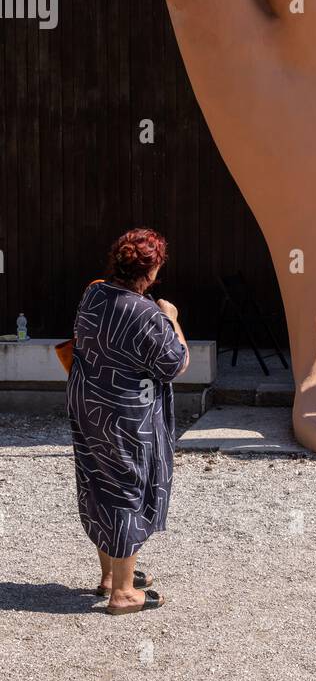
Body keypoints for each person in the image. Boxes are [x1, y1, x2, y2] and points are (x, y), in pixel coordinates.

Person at [66, 228, 189, 615]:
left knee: (98, 478)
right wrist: (171, 319)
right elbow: (176, 364)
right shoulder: (147, 314)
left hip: (89, 404)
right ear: (151, 274)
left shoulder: (95, 293)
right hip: (126, 414)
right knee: (127, 488)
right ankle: (122, 593)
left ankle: (110, 576)